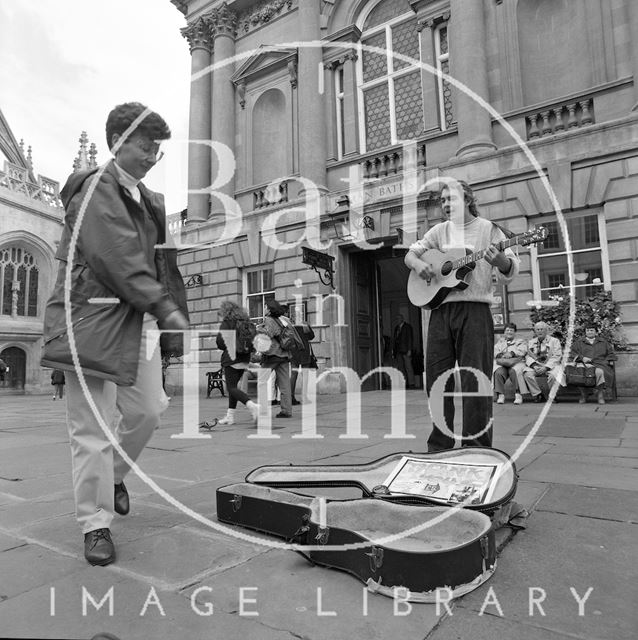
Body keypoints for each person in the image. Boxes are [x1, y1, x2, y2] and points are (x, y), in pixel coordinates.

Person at [41, 102, 189, 567]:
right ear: (118, 143)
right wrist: (164, 308)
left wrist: (171, 322)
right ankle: (95, 523)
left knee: (149, 411)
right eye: (146, 146)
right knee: (91, 428)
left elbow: (164, 265)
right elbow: (115, 254)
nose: (152, 156)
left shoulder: (154, 203)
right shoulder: (90, 189)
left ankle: (115, 476)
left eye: (157, 150)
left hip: (138, 320)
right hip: (91, 320)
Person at [404, 180, 520, 451]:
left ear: (467, 199)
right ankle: (440, 446)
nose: (445, 204)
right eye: (442, 200)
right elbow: (411, 255)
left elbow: (511, 268)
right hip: (440, 312)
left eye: (451, 199)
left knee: (475, 379)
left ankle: (477, 447)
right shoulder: (438, 231)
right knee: (436, 380)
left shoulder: (489, 229)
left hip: (475, 310)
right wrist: (420, 264)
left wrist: (499, 261)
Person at [215, 300, 260, 424]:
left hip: (231, 358)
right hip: (244, 357)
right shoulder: (245, 322)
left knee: (231, 388)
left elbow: (220, 342)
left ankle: (252, 406)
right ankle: (230, 416)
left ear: (225, 311)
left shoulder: (227, 322)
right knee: (234, 387)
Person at [258, 300, 293, 418]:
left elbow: (267, 335)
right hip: (284, 354)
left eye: (265, 307)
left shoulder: (269, 320)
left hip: (272, 355)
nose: (264, 308)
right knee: (284, 384)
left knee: (261, 382)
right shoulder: (284, 319)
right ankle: (287, 410)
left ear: (269, 309)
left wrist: (259, 329)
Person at [570, 325, 616, 404]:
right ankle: (584, 394)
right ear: (585, 332)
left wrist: (607, 361)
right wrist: (582, 358)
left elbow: (610, 354)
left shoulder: (603, 342)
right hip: (584, 364)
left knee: (599, 372)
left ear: (596, 332)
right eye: (588, 330)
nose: (589, 332)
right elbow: (572, 353)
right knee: (580, 373)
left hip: (600, 363)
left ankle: (600, 395)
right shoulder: (579, 342)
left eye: (592, 330)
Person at [522, 321, 564, 402]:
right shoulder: (531, 342)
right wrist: (534, 365)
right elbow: (528, 356)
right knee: (527, 374)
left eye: (542, 329)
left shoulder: (555, 341)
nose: (539, 331)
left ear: (546, 330)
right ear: (535, 331)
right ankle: (538, 394)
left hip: (551, 366)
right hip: (537, 366)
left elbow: (557, 356)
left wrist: (546, 367)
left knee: (553, 375)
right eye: (537, 329)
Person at [493, 323, 527, 405]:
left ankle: (518, 395)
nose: (509, 332)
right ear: (504, 332)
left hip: (516, 363)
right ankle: (500, 395)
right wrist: (502, 355)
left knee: (514, 371)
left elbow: (523, 350)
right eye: (507, 330)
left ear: (515, 332)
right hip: (503, 363)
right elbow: (495, 351)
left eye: (511, 330)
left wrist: (512, 353)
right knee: (498, 372)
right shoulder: (500, 342)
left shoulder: (520, 341)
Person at [289, 316, 316, 405]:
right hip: (304, 352)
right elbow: (312, 336)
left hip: (294, 353)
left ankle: (290, 397)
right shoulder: (304, 325)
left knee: (293, 375)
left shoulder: (290, 326)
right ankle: (304, 397)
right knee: (305, 376)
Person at [392, 313, 415, 388]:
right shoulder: (396, 328)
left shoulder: (407, 327)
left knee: (408, 367)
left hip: (406, 350)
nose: (397, 320)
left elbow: (410, 339)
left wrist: (409, 350)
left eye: (399, 318)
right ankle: (404, 383)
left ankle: (411, 383)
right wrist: (393, 350)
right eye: (396, 319)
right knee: (401, 367)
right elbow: (394, 340)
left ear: (402, 319)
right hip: (398, 351)